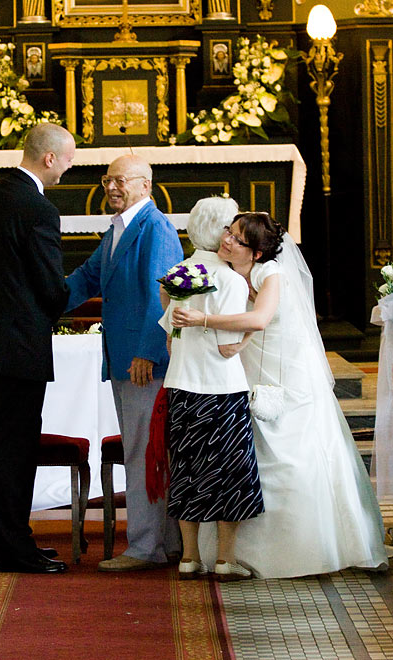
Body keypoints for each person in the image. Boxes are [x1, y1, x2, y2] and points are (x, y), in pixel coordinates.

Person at [172, 212, 389, 578]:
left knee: (292, 448)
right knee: (250, 451)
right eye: (229, 232)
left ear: (256, 253)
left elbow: (259, 319)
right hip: (249, 367)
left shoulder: (272, 274)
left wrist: (204, 322)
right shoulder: (227, 273)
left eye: (238, 240)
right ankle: (228, 554)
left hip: (285, 371)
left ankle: (306, 547)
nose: (227, 241)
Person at [0, 122, 76, 574]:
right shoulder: (38, 208)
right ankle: (13, 547)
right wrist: (68, 298)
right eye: (66, 160)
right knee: (16, 445)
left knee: (4, 441)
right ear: (49, 158)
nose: (67, 169)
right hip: (21, 342)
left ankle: (6, 542)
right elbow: (50, 285)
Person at [65, 154, 183, 572]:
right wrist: (37, 300)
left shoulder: (156, 228)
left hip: (142, 362)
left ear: (145, 186)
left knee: (142, 452)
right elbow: (85, 279)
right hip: (124, 359)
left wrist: (148, 351)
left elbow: (163, 294)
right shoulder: (118, 229)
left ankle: (144, 547)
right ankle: (168, 543)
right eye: (107, 179)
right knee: (147, 450)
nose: (112, 187)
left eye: (121, 180)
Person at [159, 197, 263, 581]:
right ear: (224, 232)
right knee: (230, 472)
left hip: (182, 386)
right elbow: (226, 346)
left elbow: (170, 335)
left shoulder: (177, 273)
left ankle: (189, 557)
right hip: (221, 390)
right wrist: (253, 329)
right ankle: (225, 559)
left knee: (187, 469)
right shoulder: (231, 280)